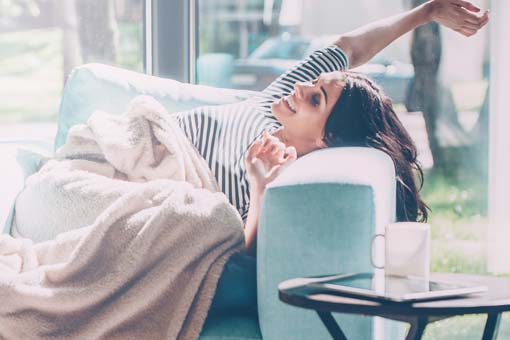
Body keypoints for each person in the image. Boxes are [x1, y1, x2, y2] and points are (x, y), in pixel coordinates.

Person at [174, 0, 489, 254]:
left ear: (329, 139)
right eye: (313, 83)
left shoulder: (276, 179)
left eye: (315, 99)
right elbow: (349, 48)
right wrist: (426, 12)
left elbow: (240, 263)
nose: (298, 88)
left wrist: (259, 189)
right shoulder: (275, 106)